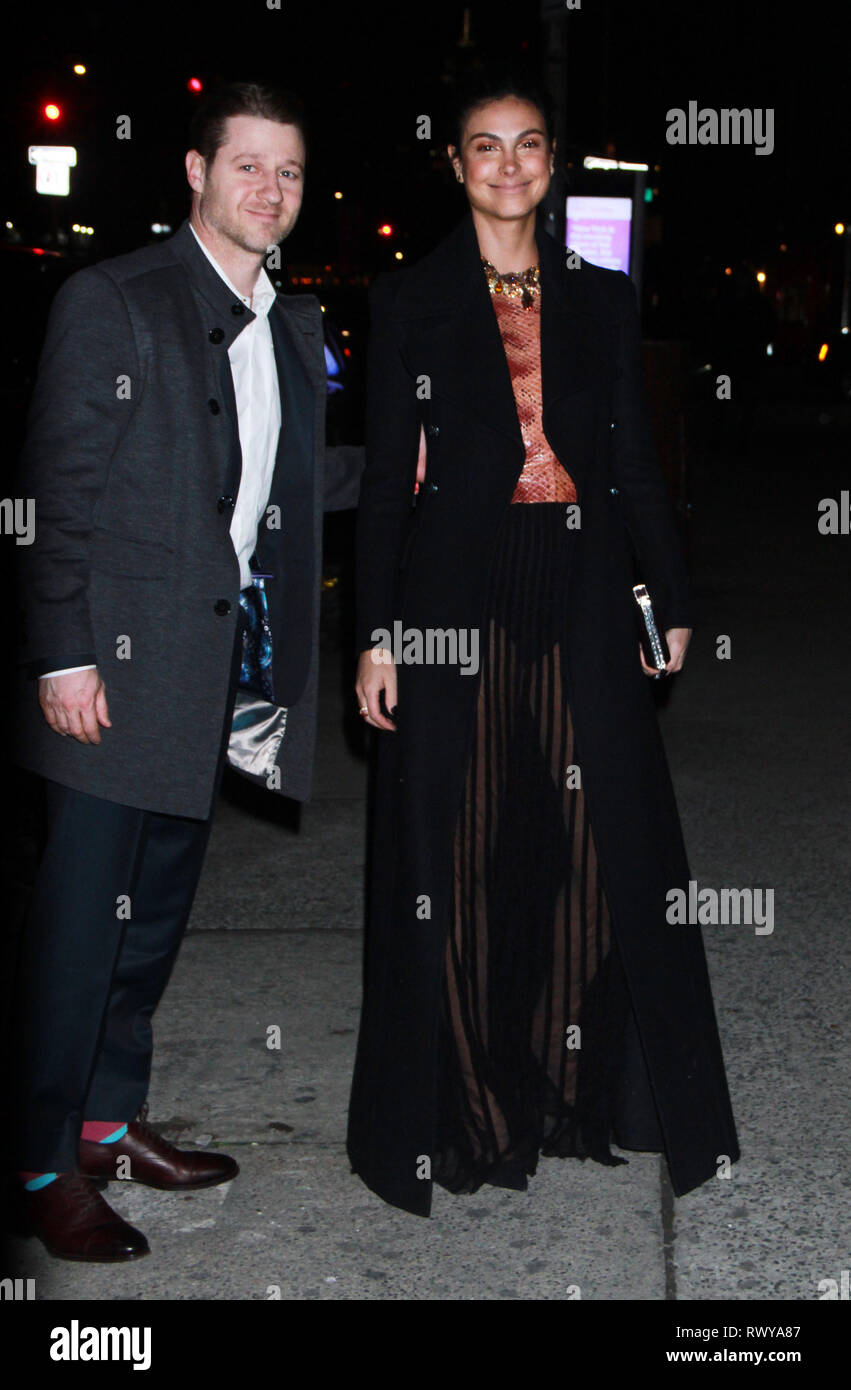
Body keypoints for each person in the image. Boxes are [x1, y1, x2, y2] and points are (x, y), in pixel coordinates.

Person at [347, 74, 739, 1218]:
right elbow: (380, 489)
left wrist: (666, 592)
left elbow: (630, 465)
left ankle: (586, 1090)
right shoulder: (408, 299)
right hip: (451, 595)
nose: (506, 164)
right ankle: (468, 1106)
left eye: (525, 145)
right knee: (459, 852)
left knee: (592, 841)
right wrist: (374, 636)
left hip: (575, 583)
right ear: (455, 165)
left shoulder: (599, 296)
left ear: (552, 162)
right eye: (483, 146)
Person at [7, 80, 362, 1261]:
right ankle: (44, 1160)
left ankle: (110, 1122)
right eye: (248, 165)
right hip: (105, 677)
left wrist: (438, 457)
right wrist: (60, 653)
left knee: (148, 918)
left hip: (208, 674)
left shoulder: (291, 322)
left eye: (291, 172)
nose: (270, 190)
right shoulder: (115, 299)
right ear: (197, 174)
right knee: (74, 932)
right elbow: (60, 493)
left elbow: (290, 486)